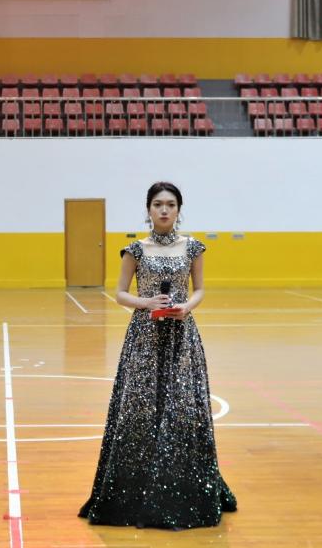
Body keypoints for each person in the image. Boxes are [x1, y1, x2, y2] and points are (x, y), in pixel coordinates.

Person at [79, 181, 237, 529]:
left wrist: (186, 307)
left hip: (182, 335)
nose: (164, 210)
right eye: (157, 204)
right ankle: (134, 490)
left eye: (170, 204)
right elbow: (120, 294)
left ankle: (185, 489)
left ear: (179, 210)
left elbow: (200, 290)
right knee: (140, 408)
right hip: (144, 337)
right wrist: (146, 303)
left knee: (182, 408)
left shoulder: (193, 247)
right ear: (148, 209)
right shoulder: (135, 250)